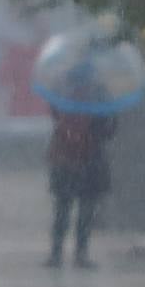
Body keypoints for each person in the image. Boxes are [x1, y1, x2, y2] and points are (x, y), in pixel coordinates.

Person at [45, 108, 117, 269]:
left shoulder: (63, 94)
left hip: (70, 163)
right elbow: (109, 132)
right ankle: (77, 253)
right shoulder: (99, 98)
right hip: (83, 163)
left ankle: (60, 253)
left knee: (67, 211)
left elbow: (55, 116)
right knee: (79, 212)